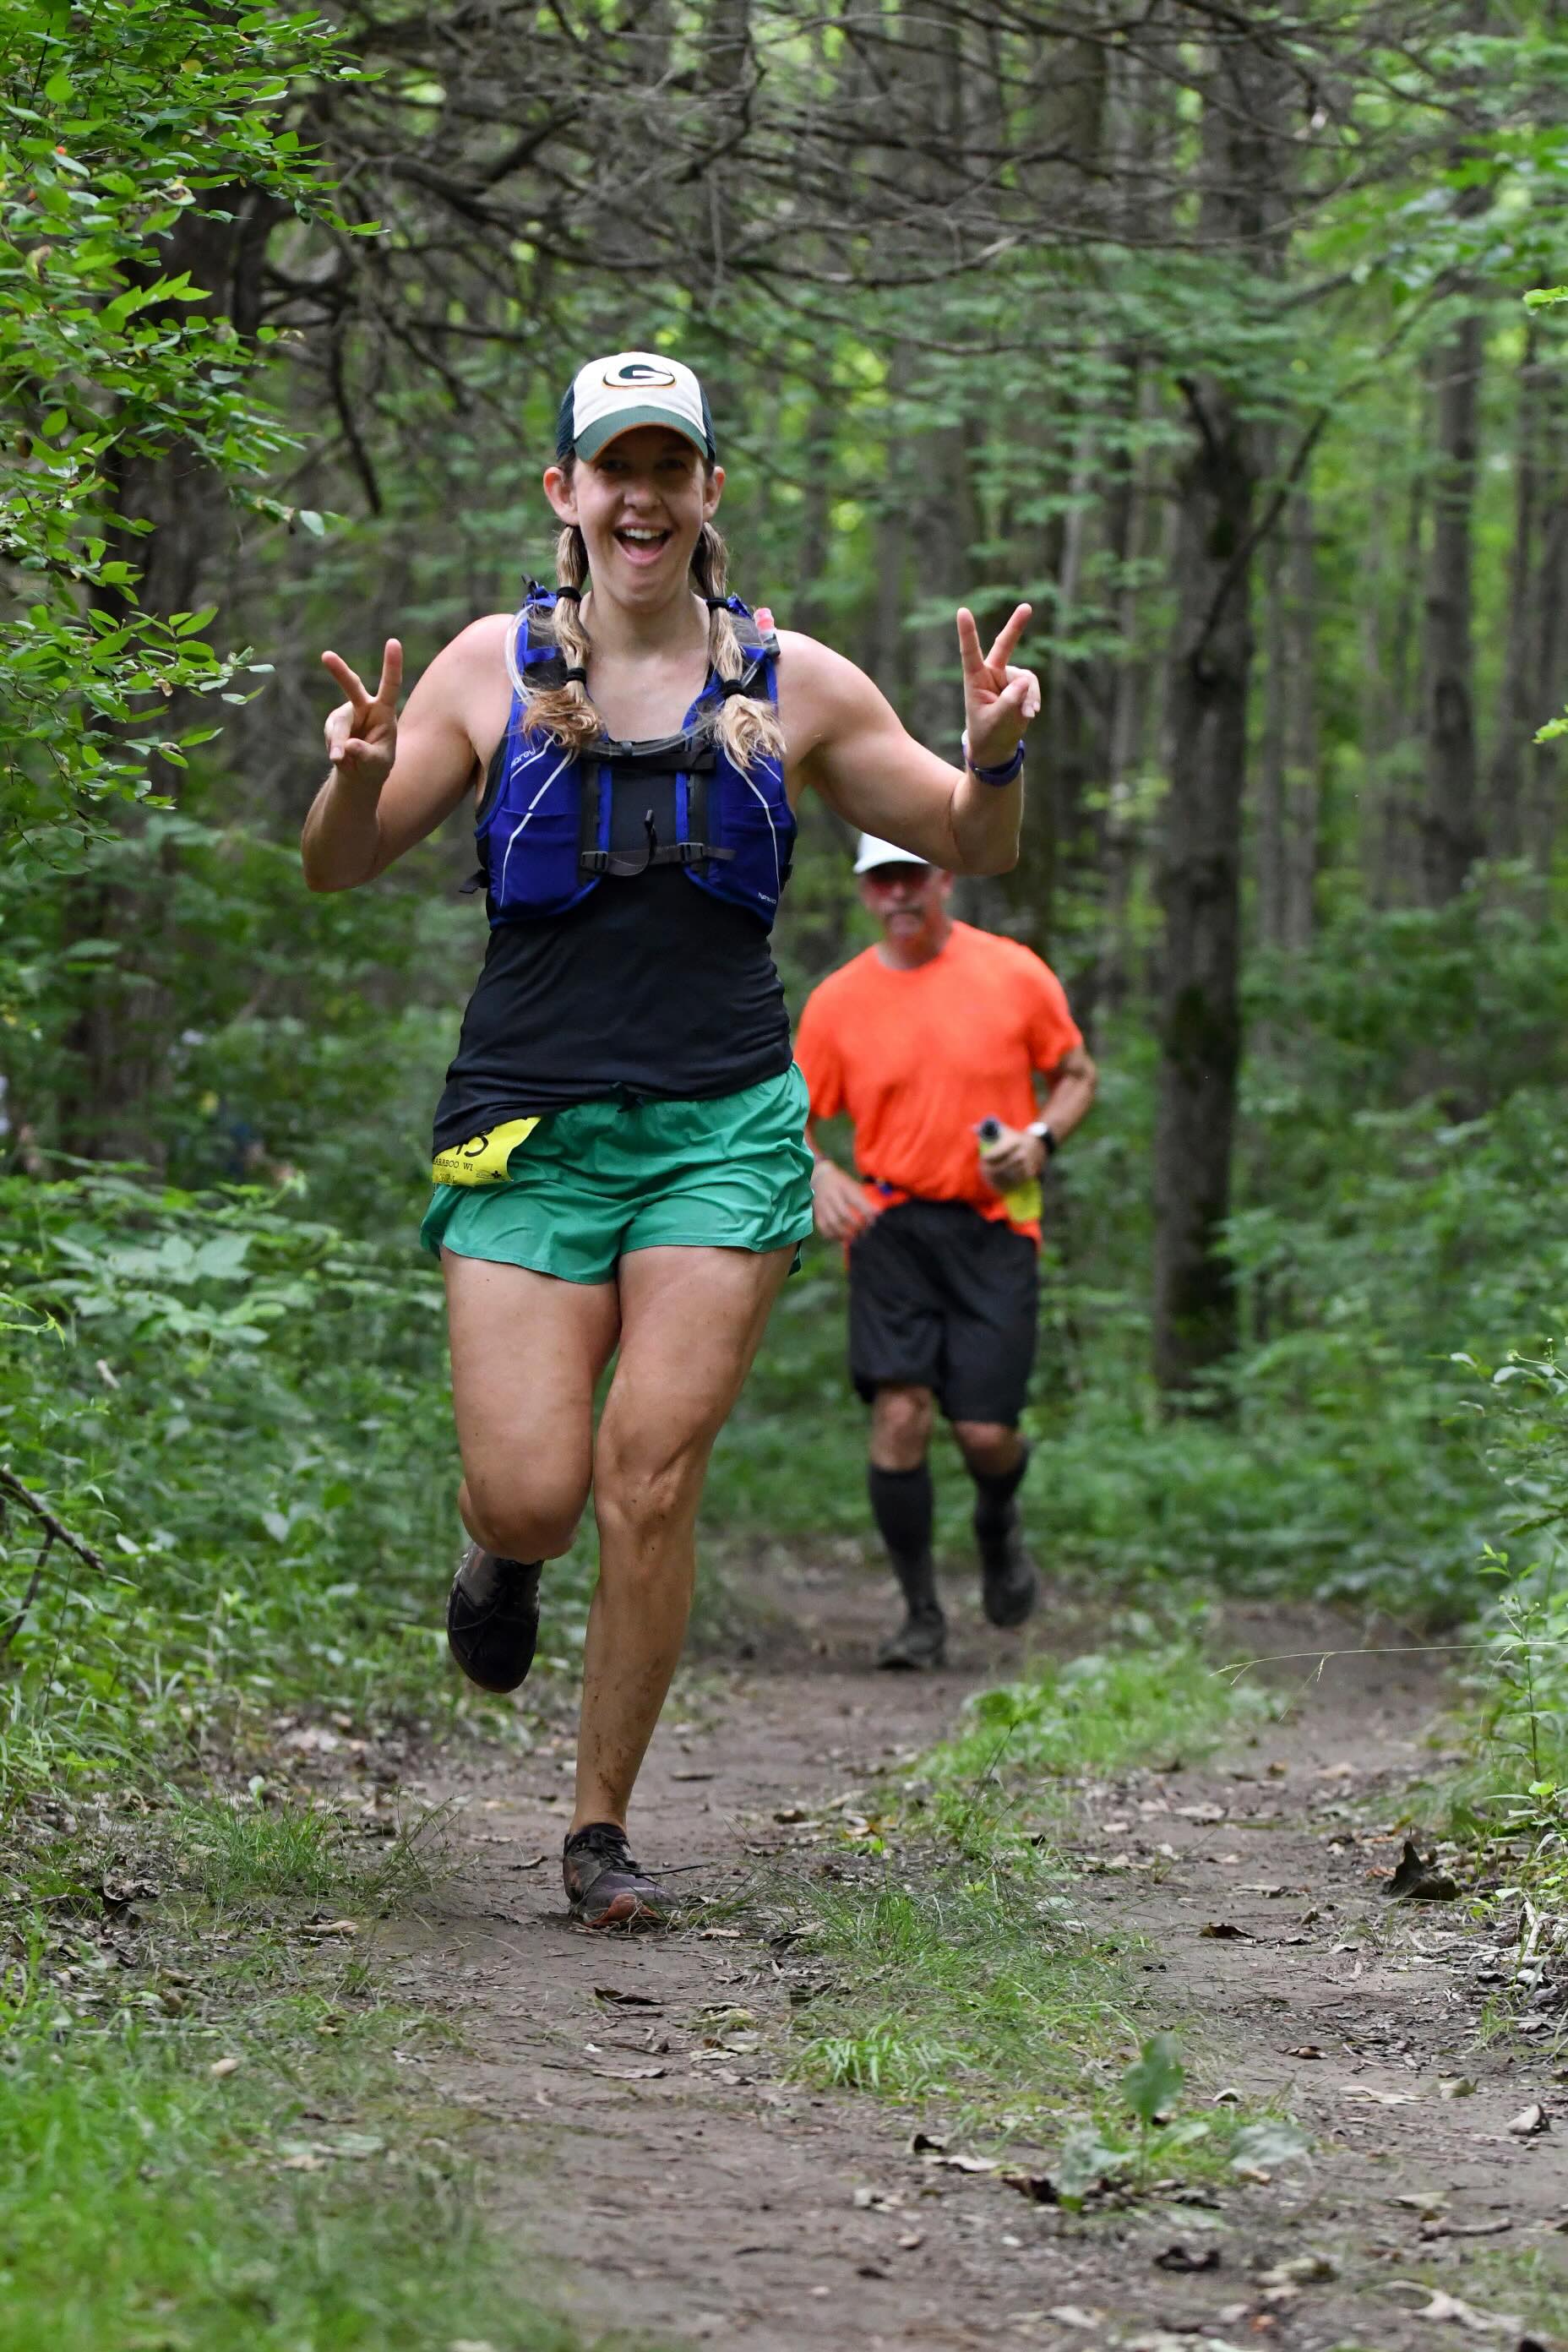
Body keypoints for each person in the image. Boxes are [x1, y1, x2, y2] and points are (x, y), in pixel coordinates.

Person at [300, 350, 1039, 1927]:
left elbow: (969, 834)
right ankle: (497, 1560)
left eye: (671, 466)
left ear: (710, 492)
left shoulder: (799, 680)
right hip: (525, 1127)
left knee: (649, 1476)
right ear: (562, 491)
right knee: (534, 1494)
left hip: (722, 1126)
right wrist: (348, 781)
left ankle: (598, 1828)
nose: (642, 495)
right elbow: (340, 869)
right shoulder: (484, 670)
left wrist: (994, 751)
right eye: (612, 467)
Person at [796, 837, 1097, 1669]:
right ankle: (919, 1613)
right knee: (898, 1417)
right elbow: (789, 1118)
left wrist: (1040, 1138)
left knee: (983, 1433)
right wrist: (820, 1173)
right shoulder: (836, 1003)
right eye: (880, 879)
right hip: (889, 1226)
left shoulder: (1012, 973)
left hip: (996, 1222)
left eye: (911, 876)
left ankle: (997, 1522)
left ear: (943, 880)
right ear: (862, 891)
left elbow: (1075, 1073)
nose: (898, 894)